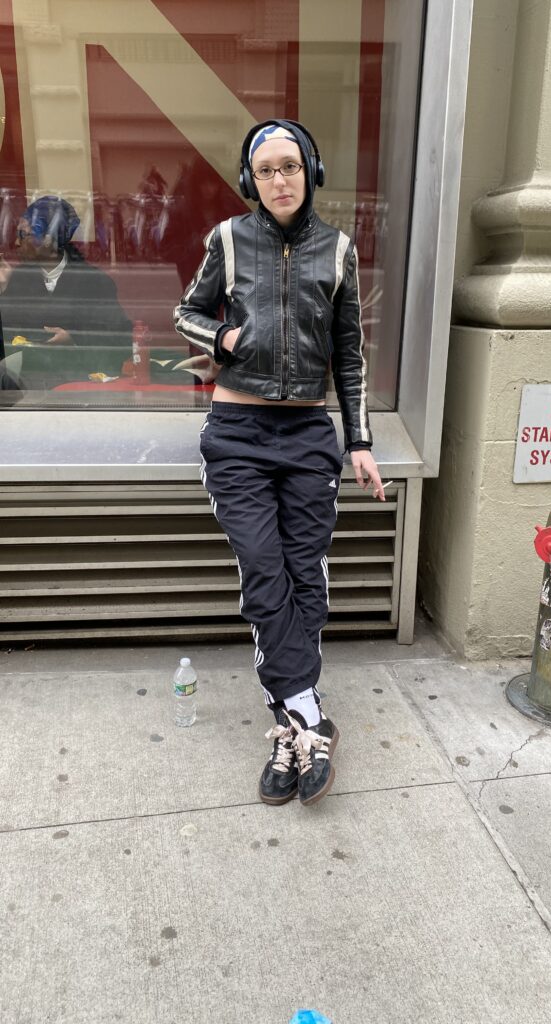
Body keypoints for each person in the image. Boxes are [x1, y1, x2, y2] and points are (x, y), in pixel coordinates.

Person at [174, 119, 385, 807]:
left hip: (306, 439)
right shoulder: (229, 240)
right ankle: (308, 719)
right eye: (266, 171)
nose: (279, 180)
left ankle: (289, 728)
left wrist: (358, 442)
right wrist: (222, 333)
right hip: (236, 432)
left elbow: (348, 355)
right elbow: (186, 311)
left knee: (306, 577)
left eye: (290, 166)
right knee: (264, 569)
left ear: (312, 171)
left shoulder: (339, 251)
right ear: (249, 180)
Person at [0, 195, 132, 346]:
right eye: (17, 234)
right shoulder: (20, 278)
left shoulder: (95, 282)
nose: (17, 242)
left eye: (24, 235)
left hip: (80, 368)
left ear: (48, 239)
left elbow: (120, 338)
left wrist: (74, 341)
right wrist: (3, 289)